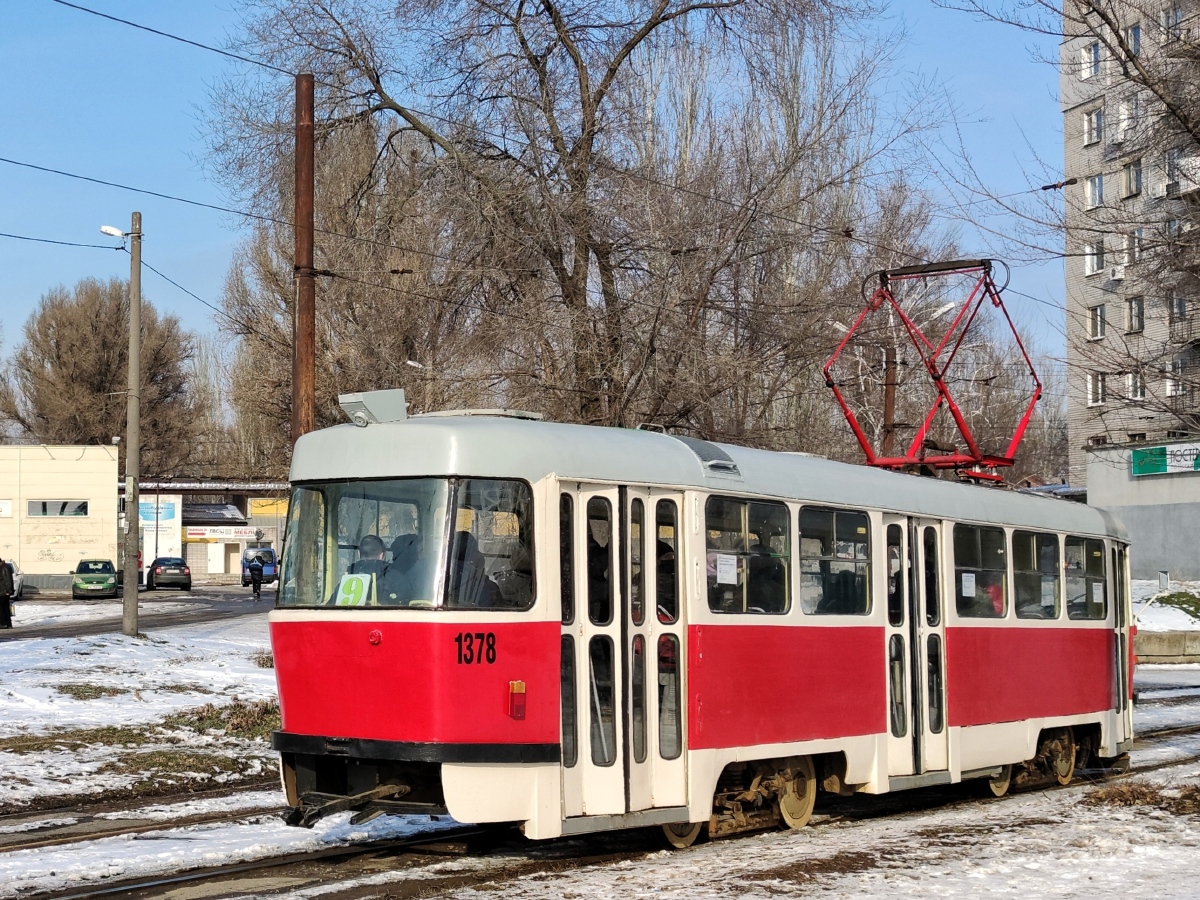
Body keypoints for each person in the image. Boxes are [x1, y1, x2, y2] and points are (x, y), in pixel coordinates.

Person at [0, 557, 13, 628]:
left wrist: (7, 590)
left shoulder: (4, 568)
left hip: (3, 591)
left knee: (2, 607)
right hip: (3, 591)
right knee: (5, 607)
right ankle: (8, 624)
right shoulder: (3, 567)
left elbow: (8, 580)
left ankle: (2, 623)